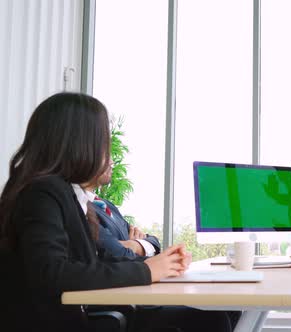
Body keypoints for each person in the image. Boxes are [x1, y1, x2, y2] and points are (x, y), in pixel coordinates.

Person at [0, 92, 237, 332]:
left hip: (97, 314)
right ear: (80, 143)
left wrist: (161, 264)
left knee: (216, 316)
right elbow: (52, 273)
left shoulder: (65, 195)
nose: (108, 152)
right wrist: (147, 270)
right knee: (210, 321)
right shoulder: (43, 192)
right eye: (104, 142)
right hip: (70, 322)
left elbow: (93, 262)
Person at [88, 160, 161, 258]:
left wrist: (134, 245)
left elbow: (154, 241)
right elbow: (110, 252)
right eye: (105, 154)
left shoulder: (107, 205)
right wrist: (134, 245)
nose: (111, 162)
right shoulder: (79, 207)